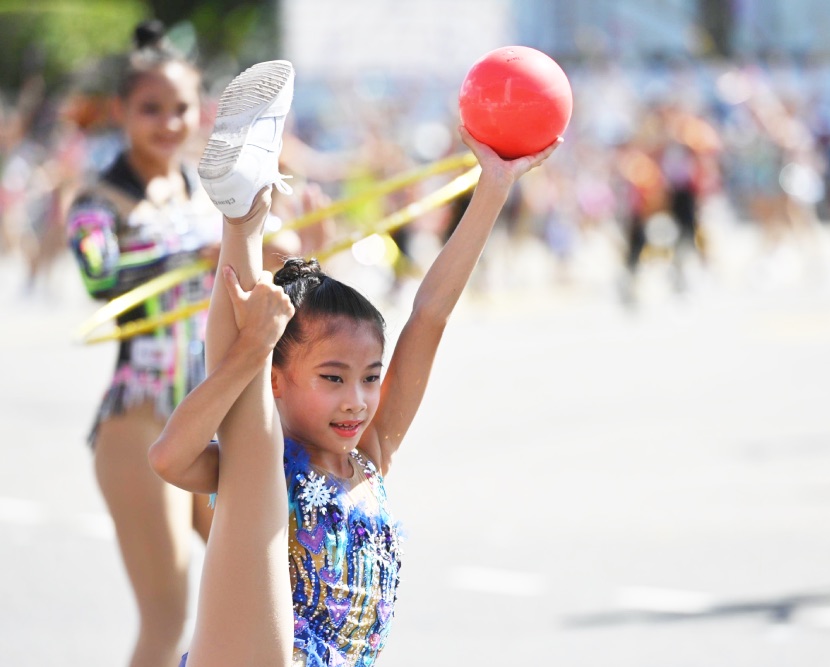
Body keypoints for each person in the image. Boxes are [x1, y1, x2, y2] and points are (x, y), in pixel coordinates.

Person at [147, 60, 560, 665]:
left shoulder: (373, 454)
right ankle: (244, 215)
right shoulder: (255, 462)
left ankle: (246, 215)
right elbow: (168, 456)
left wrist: (492, 187)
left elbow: (430, 316)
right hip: (259, 652)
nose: (357, 400)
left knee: (252, 448)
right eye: (333, 378)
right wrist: (251, 352)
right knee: (252, 454)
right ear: (281, 382)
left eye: (369, 379)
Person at [65, 21, 295, 665]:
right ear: (121, 112)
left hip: (213, 409)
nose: (169, 123)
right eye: (151, 109)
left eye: (182, 109)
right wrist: (187, 254)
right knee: (166, 619)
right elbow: (98, 275)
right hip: (140, 423)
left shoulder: (204, 190)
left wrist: (274, 241)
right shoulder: (99, 198)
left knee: (257, 591)